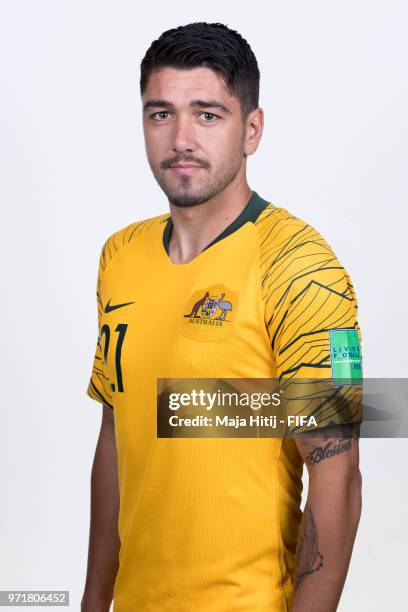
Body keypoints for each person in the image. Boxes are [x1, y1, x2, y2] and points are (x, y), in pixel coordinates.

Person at [81, 22, 363, 612]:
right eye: (161, 114)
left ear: (251, 129)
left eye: (207, 114)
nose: (181, 137)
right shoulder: (118, 257)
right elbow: (116, 435)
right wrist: (93, 602)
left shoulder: (300, 265)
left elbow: (337, 474)